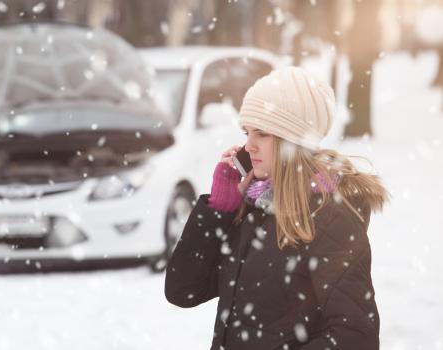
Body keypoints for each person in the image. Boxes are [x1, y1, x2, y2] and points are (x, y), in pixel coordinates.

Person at [164, 66, 390, 350]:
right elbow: (183, 290)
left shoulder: (331, 216)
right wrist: (220, 207)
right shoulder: (253, 206)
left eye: (262, 134)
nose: (249, 146)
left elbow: (355, 336)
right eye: (246, 132)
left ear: (291, 141)